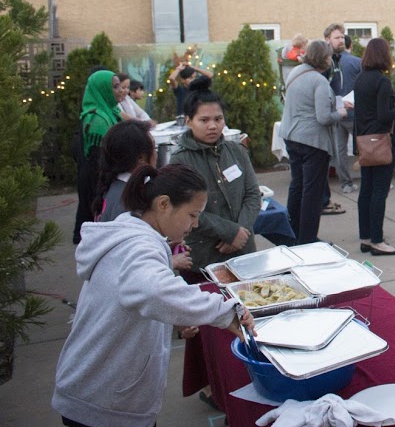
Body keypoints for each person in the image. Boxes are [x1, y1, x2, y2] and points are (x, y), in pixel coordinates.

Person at [52, 163, 256, 427]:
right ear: (163, 205)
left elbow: (136, 295)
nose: (194, 225)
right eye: (192, 214)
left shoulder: (134, 232)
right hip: (103, 403)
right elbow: (153, 290)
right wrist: (226, 312)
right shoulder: (139, 246)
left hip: (102, 392)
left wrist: (171, 316)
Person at [168, 77, 261, 280]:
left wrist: (240, 233)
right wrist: (229, 232)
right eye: (204, 120)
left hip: (243, 253)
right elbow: (183, 210)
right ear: (188, 121)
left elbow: (253, 195)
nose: (212, 126)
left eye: (218, 119)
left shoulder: (236, 151)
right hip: (203, 257)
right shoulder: (180, 160)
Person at [280, 39, 348, 244]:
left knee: (297, 186)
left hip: (291, 136)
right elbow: (324, 117)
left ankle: (292, 232)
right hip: (312, 142)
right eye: (328, 56)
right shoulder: (318, 81)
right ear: (322, 58)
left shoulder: (296, 71)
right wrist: (341, 113)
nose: (330, 60)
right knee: (313, 191)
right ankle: (308, 239)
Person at [355, 38, 395, 256]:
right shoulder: (381, 81)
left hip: (364, 141)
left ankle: (365, 237)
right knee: (379, 192)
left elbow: (361, 114)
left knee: (366, 191)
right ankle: (377, 241)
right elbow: (384, 116)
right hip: (381, 142)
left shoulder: (360, 79)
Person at [73, 70, 122, 244]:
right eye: (115, 87)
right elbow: (99, 158)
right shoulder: (98, 121)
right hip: (96, 178)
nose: (121, 90)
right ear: (103, 90)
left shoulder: (110, 112)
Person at [325, 23, 363, 195]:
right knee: (361, 147)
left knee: (342, 150)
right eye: (336, 37)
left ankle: (346, 183)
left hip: (346, 112)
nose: (340, 40)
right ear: (327, 40)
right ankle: (354, 181)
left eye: (342, 37)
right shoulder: (327, 64)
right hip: (343, 113)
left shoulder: (352, 62)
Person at [94, 120, 156, 223]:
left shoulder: (114, 187)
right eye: (154, 148)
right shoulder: (129, 199)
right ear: (141, 158)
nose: (156, 154)